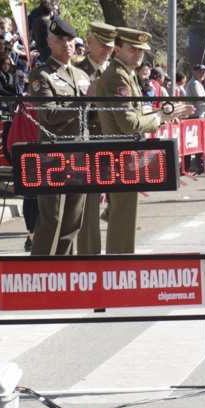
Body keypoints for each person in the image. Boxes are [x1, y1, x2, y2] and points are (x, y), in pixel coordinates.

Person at [94, 28, 193, 253]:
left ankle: (120, 265)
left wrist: (161, 114)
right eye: (133, 49)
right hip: (120, 153)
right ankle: (118, 270)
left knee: (125, 218)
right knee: (122, 220)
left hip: (125, 152)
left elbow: (134, 116)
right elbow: (127, 123)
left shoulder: (126, 73)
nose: (139, 54)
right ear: (117, 49)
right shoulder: (117, 75)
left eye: (141, 50)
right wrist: (160, 117)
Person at [28, 18, 91, 256]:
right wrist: (85, 101)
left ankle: (63, 271)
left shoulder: (81, 75)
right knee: (51, 218)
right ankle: (39, 273)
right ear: (49, 42)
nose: (67, 45)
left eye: (70, 40)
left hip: (82, 153)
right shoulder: (41, 74)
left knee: (74, 219)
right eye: (60, 40)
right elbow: (49, 115)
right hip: (53, 156)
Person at [75, 22, 118, 257]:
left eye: (110, 45)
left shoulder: (116, 72)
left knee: (118, 207)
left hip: (114, 145)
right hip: (90, 147)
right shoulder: (77, 71)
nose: (107, 49)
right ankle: (90, 259)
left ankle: (116, 259)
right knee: (89, 211)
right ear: (89, 43)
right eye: (102, 44)